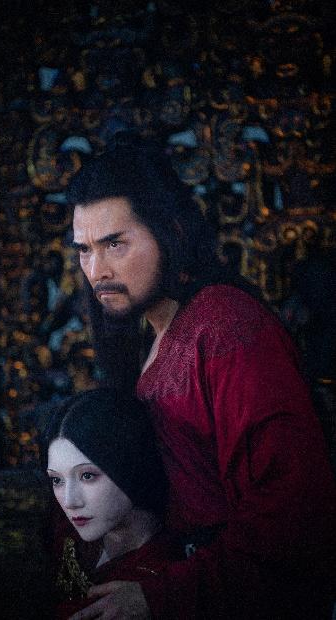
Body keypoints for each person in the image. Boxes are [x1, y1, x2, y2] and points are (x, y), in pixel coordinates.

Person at [66, 134, 336, 619]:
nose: (97, 270)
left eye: (114, 244)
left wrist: (160, 597)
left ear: (170, 232)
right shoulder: (147, 339)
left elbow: (293, 510)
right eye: (84, 250)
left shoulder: (227, 326)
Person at [41, 388, 196, 619]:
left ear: (130, 466)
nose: (69, 501)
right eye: (57, 480)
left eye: (87, 476)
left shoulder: (165, 573)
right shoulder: (65, 525)